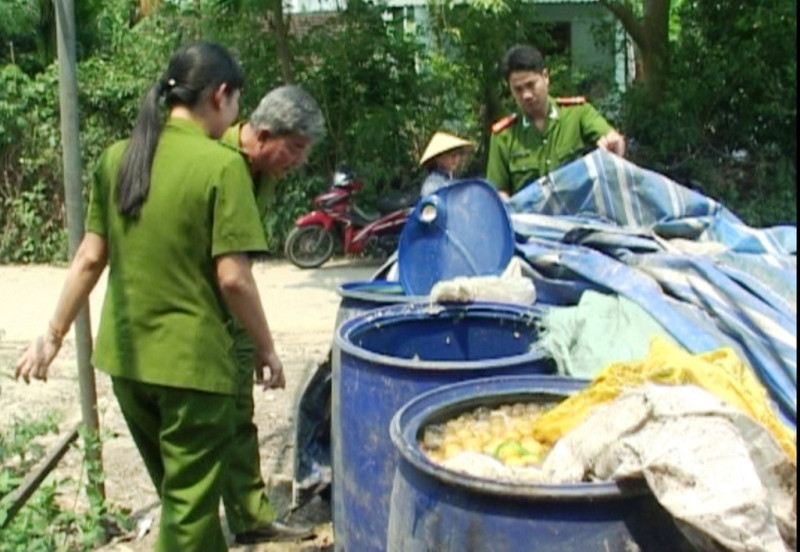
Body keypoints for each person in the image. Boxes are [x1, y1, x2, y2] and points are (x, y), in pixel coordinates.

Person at [14, 42, 296, 551]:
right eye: (236, 104)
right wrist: (266, 348)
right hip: (190, 372)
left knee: (185, 500)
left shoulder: (117, 157)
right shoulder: (220, 166)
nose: (236, 116)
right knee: (188, 516)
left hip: (128, 365)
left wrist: (51, 336)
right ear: (221, 95)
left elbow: (87, 260)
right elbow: (234, 278)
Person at [218, 85, 324, 545]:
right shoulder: (213, 160)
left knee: (241, 418)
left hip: (233, 314)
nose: (298, 161)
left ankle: (249, 518)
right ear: (262, 134)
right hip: (200, 314)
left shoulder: (263, 171)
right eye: (295, 148)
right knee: (204, 428)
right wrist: (267, 344)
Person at [485, 43, 626, 196]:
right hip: (529, 218)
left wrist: (613, 145)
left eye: (531, 85)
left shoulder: (578, 113)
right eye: (518, 89)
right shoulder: (504, 136)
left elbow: (612, 140)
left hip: (576, 216)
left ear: (545, 77)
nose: (526, 95)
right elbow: (498, 193)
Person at [418, 131, 475, 196]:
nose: (456, 159)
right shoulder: (431, 185)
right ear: (438, 158)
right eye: (452, 155)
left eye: (458, 155)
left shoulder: (450, 179)